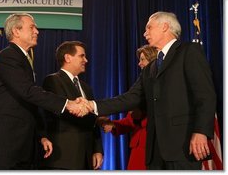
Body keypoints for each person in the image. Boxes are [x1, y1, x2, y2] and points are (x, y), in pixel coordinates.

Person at [72, 12, 216, 170]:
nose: (145, 33)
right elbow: (129, 98)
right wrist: (92, 105)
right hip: (154, 151)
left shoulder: (189, 51)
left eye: (149, 28)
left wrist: (201, 131)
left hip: (182, 145)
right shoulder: (150, 68)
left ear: (165, 27)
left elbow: (205, 95)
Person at [0, 13, 87, 170]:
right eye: (32, 27)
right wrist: (67, 104)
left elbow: (28, 104)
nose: (37, 31)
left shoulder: (22, 59)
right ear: (16, 31)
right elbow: (28, 91)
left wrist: (41, 135)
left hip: (19, 146)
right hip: (3, 146)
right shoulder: (8, 57)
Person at [39, 41, 103, 170]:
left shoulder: (86, 87)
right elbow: (64, 113)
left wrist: (97, 149)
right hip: (64, 157)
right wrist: (98, 117)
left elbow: (92, 121)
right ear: (68, 58)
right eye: (82, 56)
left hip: (86, 156)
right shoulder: (53, 81)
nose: (86, 60)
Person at [97, 45, 157, 170]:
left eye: (142, 60)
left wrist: (95, 107)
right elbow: (132, 120)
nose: (139, 64)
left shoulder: (159, 83)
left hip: (152, 145)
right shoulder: (142, 84)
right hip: (139, 145)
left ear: (152, 60)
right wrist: (113, 125)